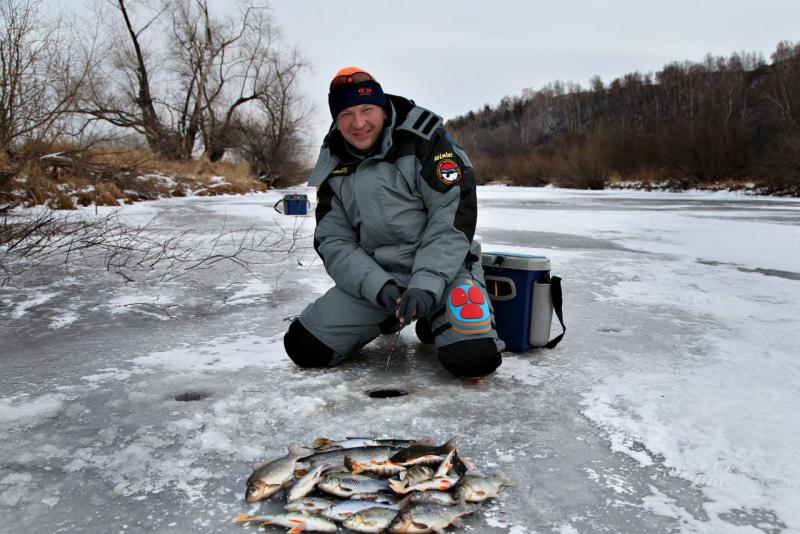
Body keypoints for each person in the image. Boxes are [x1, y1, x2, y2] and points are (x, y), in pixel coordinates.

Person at [283, 67, 504, 382]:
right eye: (346, 114)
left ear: (383, 109)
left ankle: (437, 314)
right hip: (382, 280)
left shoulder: (427, 141)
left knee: (473, 358)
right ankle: (390, 317)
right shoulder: (333, 164)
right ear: (336, 118)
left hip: (445, 271)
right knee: (304, 347)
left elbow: (451, 220)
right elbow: (334, 242)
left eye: (367, 110)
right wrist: (379, 288)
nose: (358, 123)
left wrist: (426, 285)